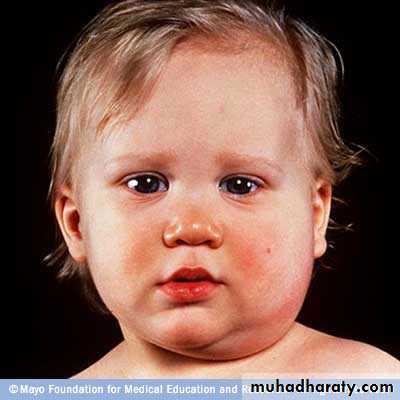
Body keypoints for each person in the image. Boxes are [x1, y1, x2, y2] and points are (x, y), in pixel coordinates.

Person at [45, 0, 400, 377]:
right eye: (146, 184)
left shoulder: (359, 378)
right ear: (77, 223)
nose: (191, 228)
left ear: (314, 217)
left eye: (240, 185)